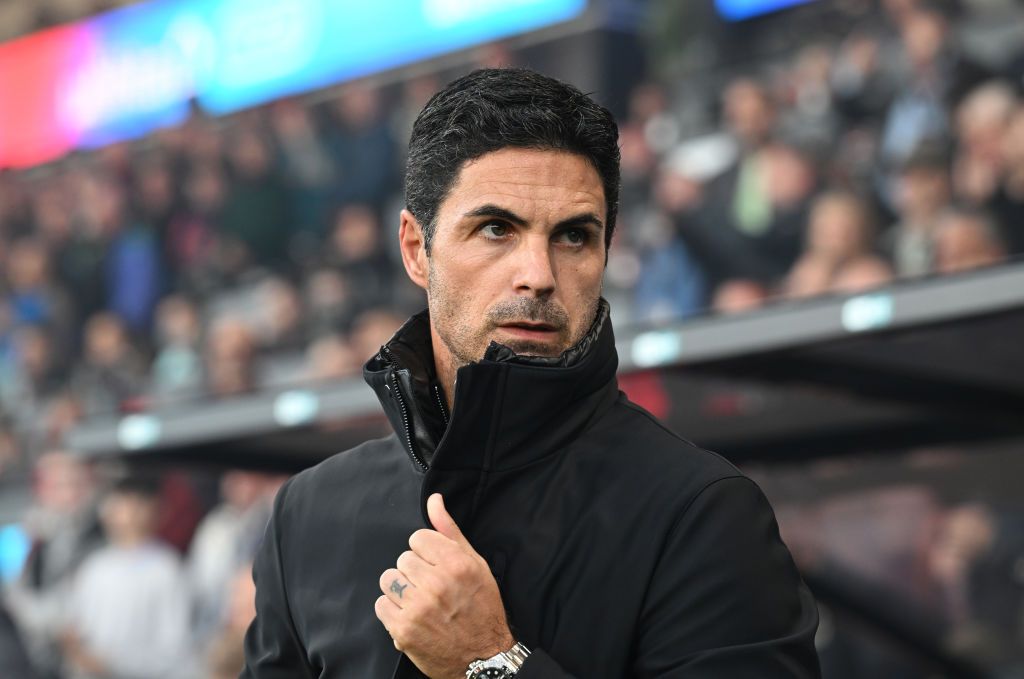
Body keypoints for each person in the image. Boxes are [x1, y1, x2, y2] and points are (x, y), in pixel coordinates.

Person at [242, 68, 820, 679]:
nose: (539, 275)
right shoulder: (307, 515)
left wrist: (491, 661)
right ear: (416, 249)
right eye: (497, 229)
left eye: (573, 236)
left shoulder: (702, 515)